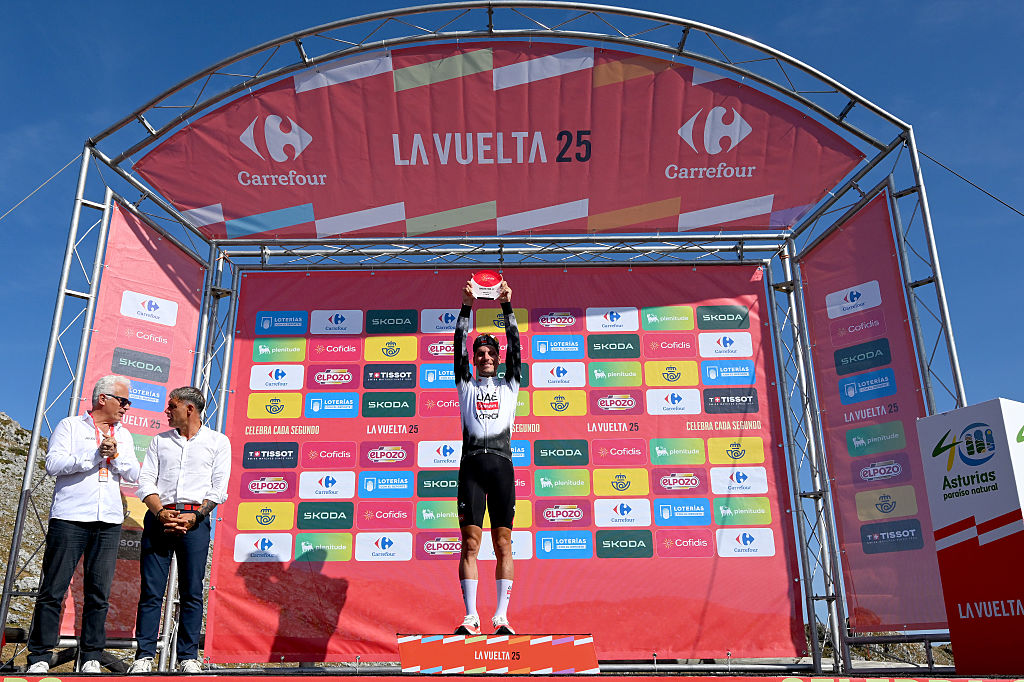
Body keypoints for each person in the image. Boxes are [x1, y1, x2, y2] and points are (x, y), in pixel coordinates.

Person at [25, 375, 139, 674]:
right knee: (53, 588)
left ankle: (91, 655)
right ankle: (39, 655)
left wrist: (114, 456)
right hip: (70, 518)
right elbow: (53, 465)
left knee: (99, 592)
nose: (127, 407)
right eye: (124, 401)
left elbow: (134, 474)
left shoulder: (124, 435)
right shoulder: (70, 426)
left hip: (109, 521)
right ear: (104, 399)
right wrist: (92, 455)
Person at [128, 387, 230, 674]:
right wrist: (161, 513)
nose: (166, 411)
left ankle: (188, 657)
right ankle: (143, 656)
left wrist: (195, 516)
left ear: (189, 409)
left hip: (195, 521)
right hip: (160, 517)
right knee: (151, 591)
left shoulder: (218, 442)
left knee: (192, 591)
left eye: (171, 405)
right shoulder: (159, 441)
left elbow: (219, 487)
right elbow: (145, 481)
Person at [453, 278, 521, 635]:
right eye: (479, 352)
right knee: (470, 543)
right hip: (471, 469)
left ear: (497, 357)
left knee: (503, 543)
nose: (484, 356)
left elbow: (517, 348)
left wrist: (506, 306)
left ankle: (501, 617)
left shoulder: (511, 383)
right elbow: (457, 347)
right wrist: (467, 306)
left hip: (502, 466)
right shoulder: (465, 383)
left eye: (490, 352)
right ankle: (470, 616)